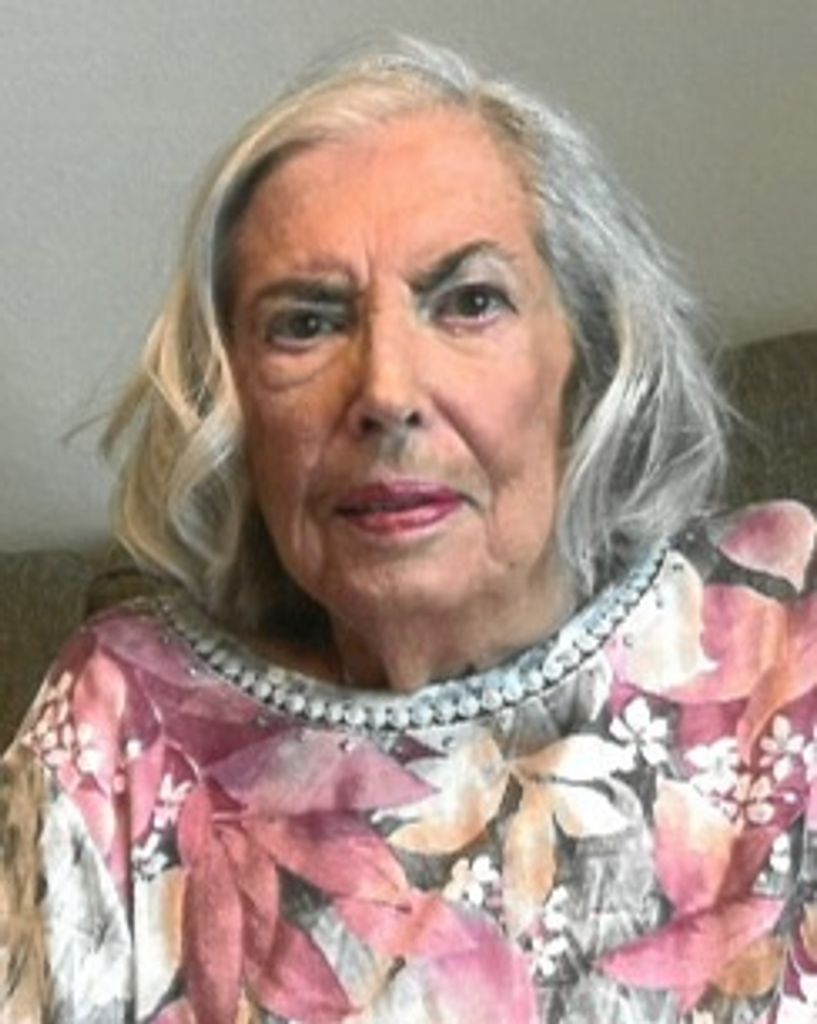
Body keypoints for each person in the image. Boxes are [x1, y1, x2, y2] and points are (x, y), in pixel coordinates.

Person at [1, 36, 815, 1024]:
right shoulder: (124, 724)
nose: (386, 391)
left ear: (586, 359)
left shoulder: (781, 641)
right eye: (306, 323)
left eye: (469, 302)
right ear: (235, 409)